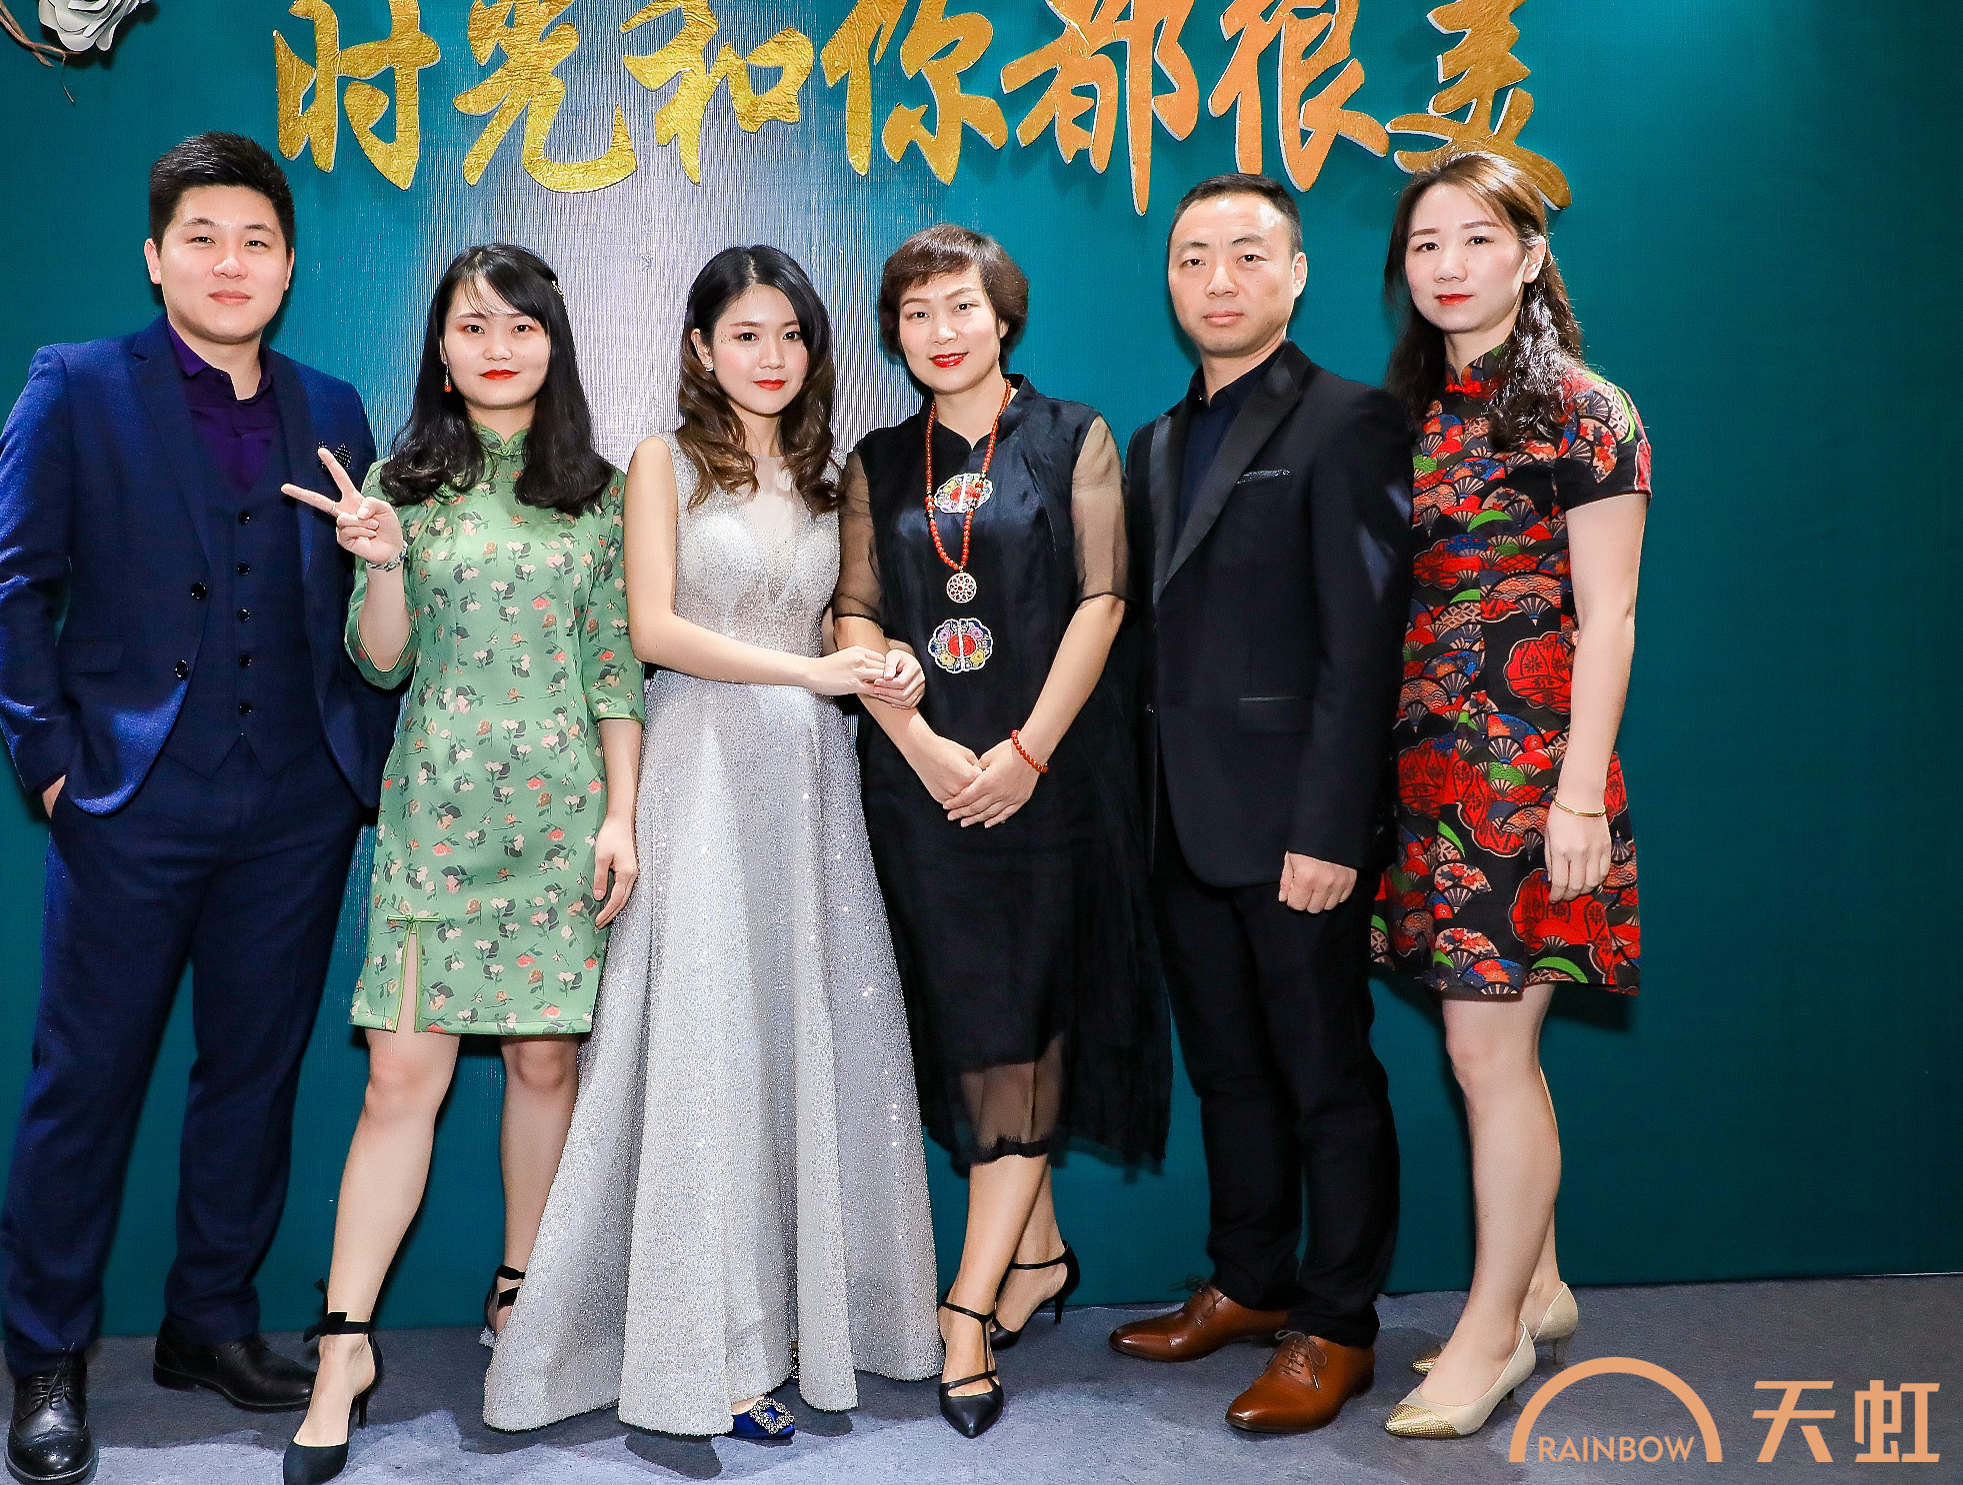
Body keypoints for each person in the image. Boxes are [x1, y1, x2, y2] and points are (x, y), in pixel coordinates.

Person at [0, 132, 398, 1485]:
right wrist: (51, 761)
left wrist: (355, 759)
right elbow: (10, 584)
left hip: (296, 803)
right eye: (202, 238)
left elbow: (366, 599)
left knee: (253, 1075)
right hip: (128, 796)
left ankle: (209, 1321)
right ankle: (48, 1356)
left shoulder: (333, 404)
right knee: (85, 1079)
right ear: (155, 257)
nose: (230, 263)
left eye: (256, 241)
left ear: (288, 265)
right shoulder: (77, 384)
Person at [482, 246, 943, 1441]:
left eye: (790, 334)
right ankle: (708, 1347)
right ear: (699, 346)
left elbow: (846, 624)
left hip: (808, 786)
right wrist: (810, 672)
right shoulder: (661, 461)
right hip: (701, 774)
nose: (770, 356)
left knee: (800, 1042)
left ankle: (802, 1325)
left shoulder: (830, 473)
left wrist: (880, 661)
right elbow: (652, 628)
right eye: (745, 333)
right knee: (705, 1052)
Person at [275, 242, 644, 1485]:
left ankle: (520, 1295)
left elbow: (614, 669)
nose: (496, 346)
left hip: (563, 816)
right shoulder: (400, 483)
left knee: (546, 1060)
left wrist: (622, 815)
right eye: (471, 325)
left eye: (519, 325)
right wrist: (380, 557)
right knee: (400, 1077)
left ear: (553, 344)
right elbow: (381, 661)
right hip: (436, 811)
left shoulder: (600, 490)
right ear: (438, 348)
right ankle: (342, 1345)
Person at [834, 224, 1171, 1440]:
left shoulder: (1072, 435)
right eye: (916, 311)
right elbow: (853, 612)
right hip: (918, 788)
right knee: (971, 1029)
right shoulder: (877, 459)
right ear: (894, 331)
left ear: (1002, 316)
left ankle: (966, 1308)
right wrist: (921, 746)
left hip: (1049, 782)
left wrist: (1023, 753)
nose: (940, 330)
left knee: (1024, 1024)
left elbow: (1103, 598)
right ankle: (1036, 1253)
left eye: (961, 306)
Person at [1110, 173, 1411, 1436]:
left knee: (1323, 1076)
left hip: (1295, 827)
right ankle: (1248, 1279)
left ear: (1293, 275)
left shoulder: (1349, 420)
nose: (1216, 279)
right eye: (1192, 257)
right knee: (1229, 1072)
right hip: (1178, 822)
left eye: (1245, 254)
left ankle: (1336, 1323)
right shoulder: (1153, 441)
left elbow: (1364, 644)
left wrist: (1329, 828)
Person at [1373, 151, 1649, 1440]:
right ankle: (1537, 1287)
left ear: (1529, 257)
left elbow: (1610, 615)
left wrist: (1578, 793)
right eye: (1425, 243)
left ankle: (1487, 1339)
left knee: (1488, 1053)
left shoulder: (1585, 410)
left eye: (1476, 238)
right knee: (1487, 1053)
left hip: (1531, 773)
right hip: (1425, 766)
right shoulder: (1410, 412)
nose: (1448, 264)